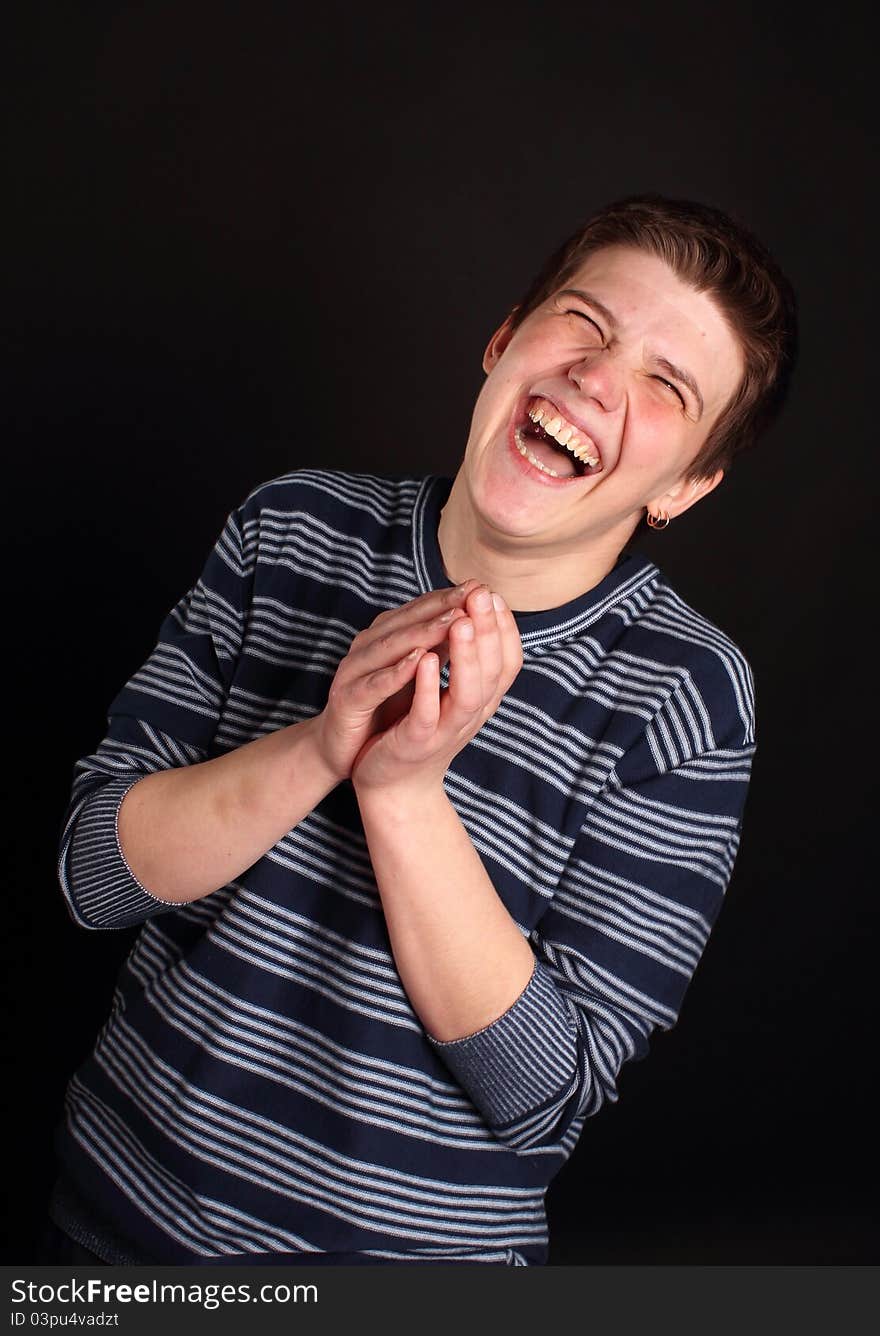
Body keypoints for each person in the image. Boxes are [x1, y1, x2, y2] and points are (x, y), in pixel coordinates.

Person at [47, 194, 797, 1266]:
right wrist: (319, 744)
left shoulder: (685, 696)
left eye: (664, 386)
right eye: (585, 323)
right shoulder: (290, 527)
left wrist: (403, 791)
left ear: (685, 483)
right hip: (119, 1230)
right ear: (503, 339)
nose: (595, 377)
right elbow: (92, 880)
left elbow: (541, 1095)